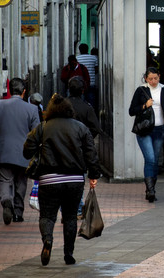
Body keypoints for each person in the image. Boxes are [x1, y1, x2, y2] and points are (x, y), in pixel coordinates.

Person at [24, 94, 101, 266]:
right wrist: (94, 175)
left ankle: (48, 241)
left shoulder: (42, 127)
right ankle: (69, 254)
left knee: (47, 216)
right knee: (70, 217)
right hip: (74, 179)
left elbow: (26, 151)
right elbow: (91, 153)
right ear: (69, 110)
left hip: (48, 180)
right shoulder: (80, 128)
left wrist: (39, 148)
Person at [0, 77, 41, 225]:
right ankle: (18, 213)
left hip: (3, 150)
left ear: (9, 90)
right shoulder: (32, 109)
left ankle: (6, 200)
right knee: (21, 182)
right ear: (24, 92)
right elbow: (36, 133)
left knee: (4, 180)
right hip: (23, 152)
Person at [129, 67, 164, 202]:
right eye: (150, 79)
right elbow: (131, 110)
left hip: (160, 129)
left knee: (155, 160)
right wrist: (145, 105)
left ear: (159, 77)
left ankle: (151, 189)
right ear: (146, 78)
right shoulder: (141, 90)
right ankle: (150, 191)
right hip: (144, 130)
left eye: (156, 78)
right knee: (150, 158)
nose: (153, 81)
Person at [75, 43, 99, 110]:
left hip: (80, 84)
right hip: (91, 83)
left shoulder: (77, 59)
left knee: (81, 102)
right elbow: (96, 70)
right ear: (87, 49)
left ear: (79, 50)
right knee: (91, 103)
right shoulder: (93, 58)